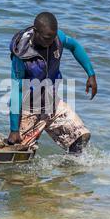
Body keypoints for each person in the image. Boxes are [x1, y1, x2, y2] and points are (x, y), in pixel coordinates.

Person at [7, 12, 97, 153]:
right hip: (28, 109)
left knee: (81, 137)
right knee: (22, 157)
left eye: (53, 37)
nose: (51, 42)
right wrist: (14, 129)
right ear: (36, 32)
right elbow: (16, 90)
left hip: (52, 103)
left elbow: (74, 46)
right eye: (47, 38)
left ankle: (66, 172)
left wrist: (91, 74)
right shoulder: (21, 54)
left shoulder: (57, 38)